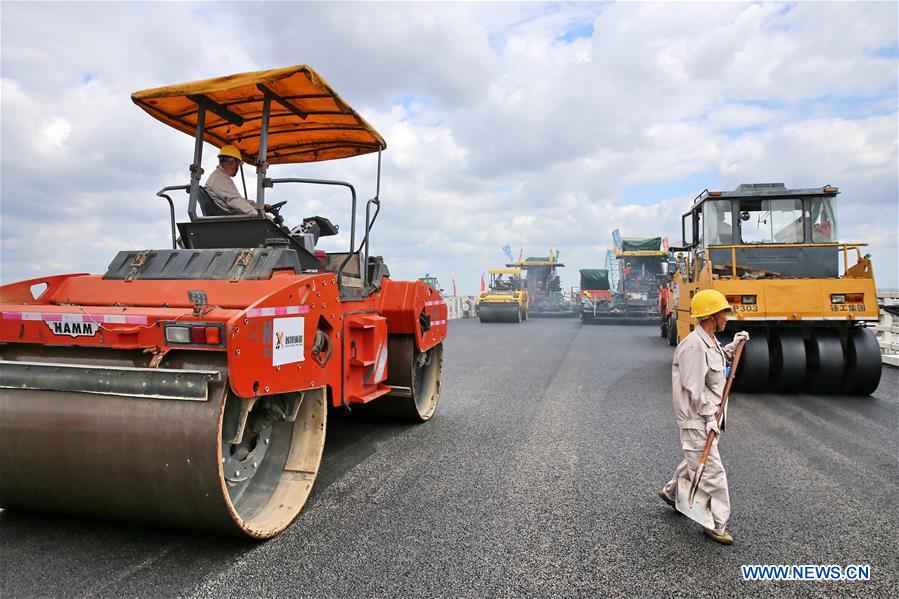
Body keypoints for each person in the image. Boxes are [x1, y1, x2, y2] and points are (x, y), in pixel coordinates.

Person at [659, 289, 749, 544]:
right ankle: (717, 524)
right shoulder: (693, 346)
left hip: (708, 418)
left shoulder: (709, 341)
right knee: (712, 472)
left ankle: (671, 493)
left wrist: (734, 345)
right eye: (724, 313)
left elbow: (718, 365)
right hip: (697, 418)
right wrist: (710, 416)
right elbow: (693, 387)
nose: (727, 319)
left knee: (696, 461)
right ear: (711, 315)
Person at [203, 145, 258, 216]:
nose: (237, 168)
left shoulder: (221, 176)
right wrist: (255, 213)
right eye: (238, 164)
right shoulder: (219, 178)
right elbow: (234, 200)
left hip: (229, 216)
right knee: (268, 220)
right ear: (232, 162)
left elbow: (237, 199)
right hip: (229, 219)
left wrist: (256, 205)